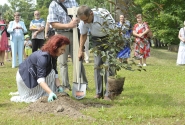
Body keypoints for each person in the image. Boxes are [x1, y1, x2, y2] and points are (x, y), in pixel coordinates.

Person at [10, 34, 70, 103]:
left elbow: (55, 71)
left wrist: (59, 86)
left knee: (52, 72)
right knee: (50, 75)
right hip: (25, 78)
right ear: (55, 47)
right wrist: (50, 93)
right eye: (62, 49)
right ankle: (42, 92)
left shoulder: (53, 55)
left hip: (33, 75)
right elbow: (40, 79)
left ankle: (49, 91)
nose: (63, 52)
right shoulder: (43, 57)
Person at [48, 0, 88, 91]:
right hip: (61, 34)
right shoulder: (53, 4)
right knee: (62, 62)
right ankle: (66, 85)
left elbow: (80, 15)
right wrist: (68, 25)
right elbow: (53, 23)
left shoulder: (73, 2)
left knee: (78, 59)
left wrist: (78, 19)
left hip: (74, 33)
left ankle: (83, 83)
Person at [77, 5, 115, 100]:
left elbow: (113, 31)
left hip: (109, 38)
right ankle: (99, 93)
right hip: (95, 40)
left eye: (86, 20)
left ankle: (108, 93)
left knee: (107, 65)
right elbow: (83, 34)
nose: (84, 22)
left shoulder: (104, 15)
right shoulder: (83, 21)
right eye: (82, 20)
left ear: (91, 14)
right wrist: (80, 50)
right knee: (97, 65)